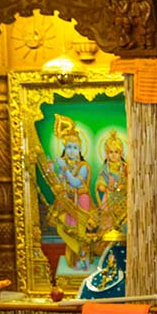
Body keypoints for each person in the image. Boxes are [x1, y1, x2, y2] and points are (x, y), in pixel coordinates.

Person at [44, 114, 95, 270]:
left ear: (80, 149)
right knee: (63, 228)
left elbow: (75, 182)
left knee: (80, 233)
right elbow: (62, 184)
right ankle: (75, 256)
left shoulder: (84, 166)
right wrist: (51, 171)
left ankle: (83, 257)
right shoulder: (65, 166)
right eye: (68, 147)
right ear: (64, 149)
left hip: (81, 202)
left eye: (74, 147)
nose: (71, 151)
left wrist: (64, 168)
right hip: (68, 203)